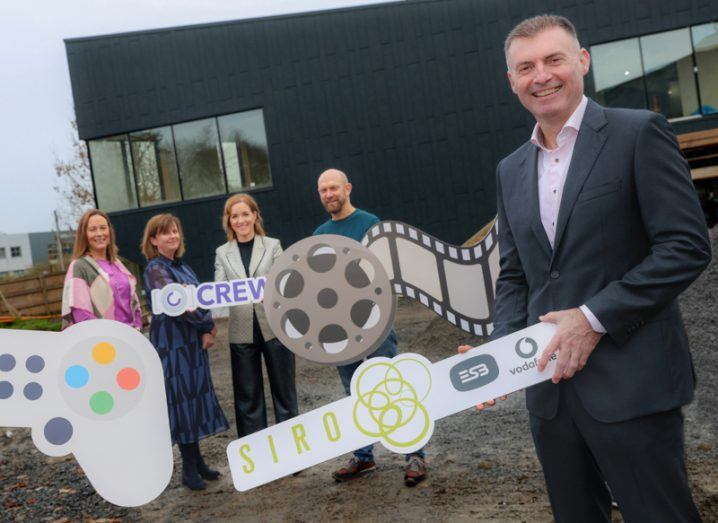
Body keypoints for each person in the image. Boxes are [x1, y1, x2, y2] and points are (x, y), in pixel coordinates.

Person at [462, 14, 710, 522]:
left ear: (583, 62)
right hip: (551, 397)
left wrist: (592, 317)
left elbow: (686, 245)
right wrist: (502, 348)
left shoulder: (638, 133)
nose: (542, 76)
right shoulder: (510, 169)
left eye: (554, 59)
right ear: (512, 81)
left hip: (633, 384)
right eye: (525, 67)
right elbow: (515, 274)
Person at [314, 168, 427, 486]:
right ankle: (363, 457)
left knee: (390, 385)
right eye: (323, 190)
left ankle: (415, 454)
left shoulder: (369, 224)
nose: (328, 194)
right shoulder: (319, 234)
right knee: (352, 393)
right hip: (338, 329)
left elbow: (382, 273)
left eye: (333, 187)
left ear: (347, 188)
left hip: (373, 321)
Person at [142, 213, 229, 491]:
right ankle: (188, 468)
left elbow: (201, 300)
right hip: (172, 344)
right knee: (181, 402)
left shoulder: (185, 268)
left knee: (194, 399)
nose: (172, 236)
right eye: (165, 232)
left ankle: (199, 461)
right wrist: (207, 325)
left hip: (192, 343)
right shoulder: (155, 269)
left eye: (176, 231)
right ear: (154, 239)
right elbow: (177, 304)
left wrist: (207, 327)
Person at [214, 194, 298, 439]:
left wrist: (273, 292)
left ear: (255, 216)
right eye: (235, 216)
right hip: (241, 329)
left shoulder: (272, 245)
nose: (240, 220)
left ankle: (293, 449)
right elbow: (219, 291)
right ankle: (256, 449)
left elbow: (286, 283)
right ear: (229, 221)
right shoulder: (222, 253)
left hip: (274, 326)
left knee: (284, 392)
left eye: (245, 214)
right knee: (247, 395)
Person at [61, 209, 142, 330]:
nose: (99, 233)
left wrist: (137, 328)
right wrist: (105, 336)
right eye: (92, 229)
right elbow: (80, 313)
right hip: (103, 341)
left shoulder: (118, 264)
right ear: (84, 235)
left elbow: (134, 303)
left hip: (130, 338)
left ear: (109, 231)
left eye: (103, 228)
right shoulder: (79, 267)